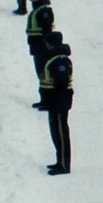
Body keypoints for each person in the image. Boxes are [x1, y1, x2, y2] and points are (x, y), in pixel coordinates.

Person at [38, 32, 74, 175]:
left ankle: (64, 165)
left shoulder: (59, 61)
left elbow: (61, 83)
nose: (46, 45)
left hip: (59, 102)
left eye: (47, 42)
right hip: (54, 102)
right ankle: (60, 161)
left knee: (61, 133)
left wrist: (57, 100)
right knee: (56, 132)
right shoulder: (55, 58)